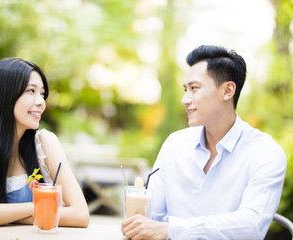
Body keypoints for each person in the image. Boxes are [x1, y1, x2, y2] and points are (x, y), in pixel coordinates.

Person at [121, 45, 287, 240]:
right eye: (185, 89)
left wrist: (171, 230)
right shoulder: (175, 145)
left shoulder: (265, 153)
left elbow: (251, 226)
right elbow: (151, 217)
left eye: (194, 88)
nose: (185, 99)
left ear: (227, 90)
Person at [0, 57, 89, 228]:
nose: (41, 102)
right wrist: (39, 207)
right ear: (4, 95)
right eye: (31, 91)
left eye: (42, 93)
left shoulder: (45, 143)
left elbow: (80, 215)